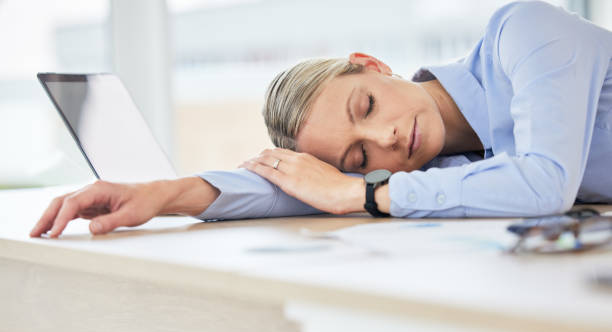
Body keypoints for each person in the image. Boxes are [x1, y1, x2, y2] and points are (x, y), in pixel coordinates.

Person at [30, 0, 612, 238]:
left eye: (367, 106)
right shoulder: (451, 166)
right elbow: (307, 189)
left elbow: (544, 183)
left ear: (372, 65)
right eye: (360, 158)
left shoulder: (525, 32)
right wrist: (167, 193)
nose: (385, 139)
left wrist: (362, 190)